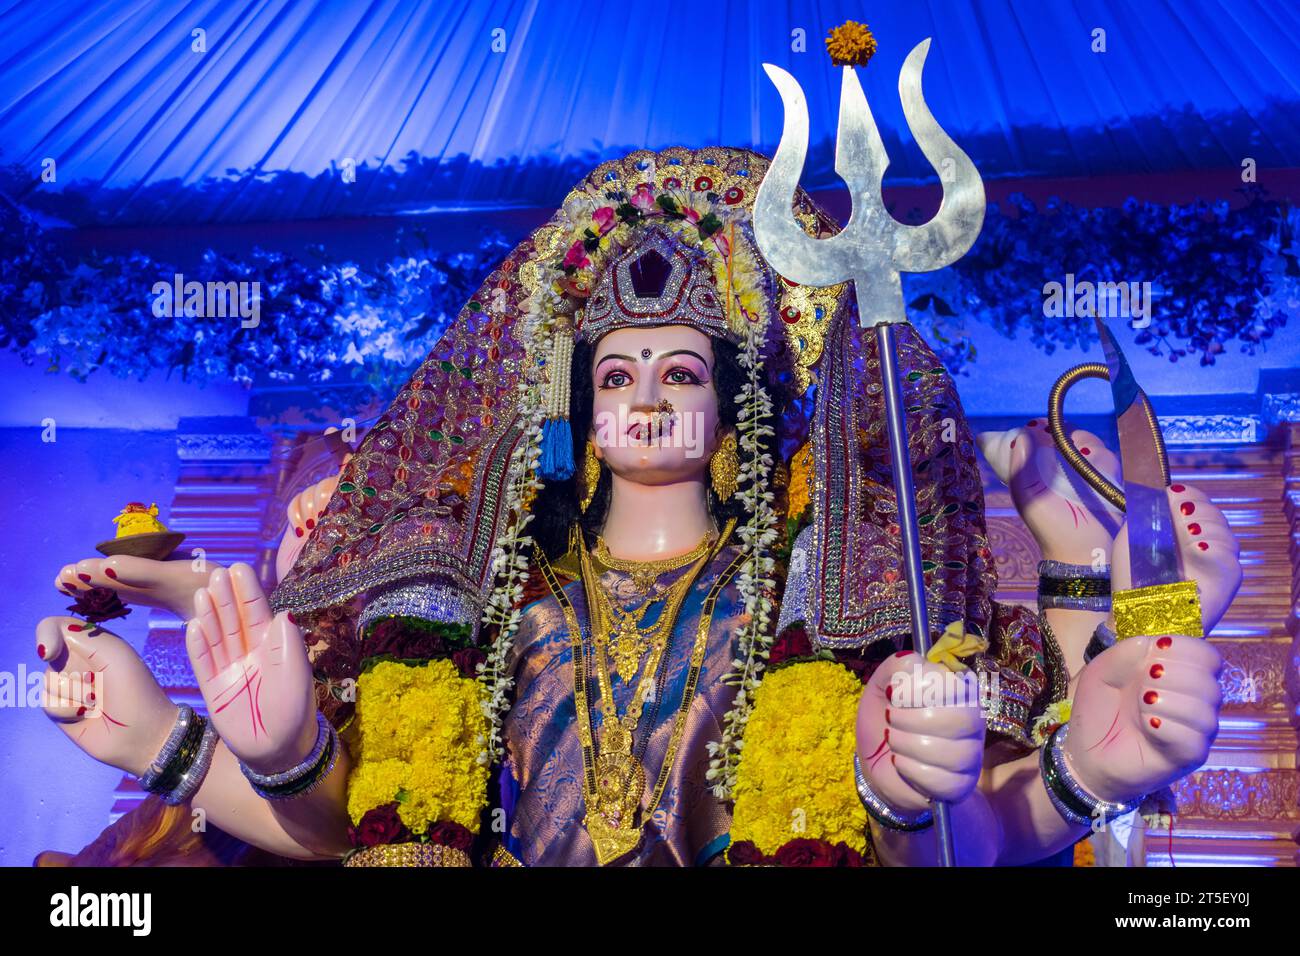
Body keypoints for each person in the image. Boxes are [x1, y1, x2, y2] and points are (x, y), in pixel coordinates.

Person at [37, 147, 1241, 867]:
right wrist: (189, 743)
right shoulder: (485, 599)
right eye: (616, 374)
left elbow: (942, 838)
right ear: (574, 406)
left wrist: (1075, 772)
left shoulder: (822, 590)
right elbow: (363, 834)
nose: (648, 398)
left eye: (680, 373)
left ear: (735, 408)